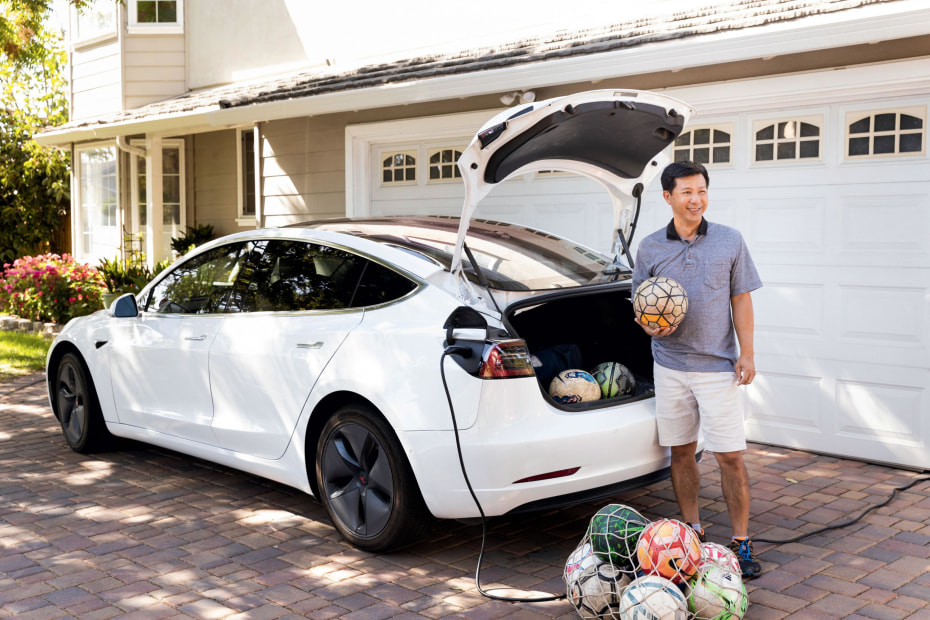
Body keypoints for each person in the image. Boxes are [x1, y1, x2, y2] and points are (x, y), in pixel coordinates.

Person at [632, 160, 763, 579]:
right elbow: (640, 305)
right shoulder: (651, 247)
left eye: (702, 190)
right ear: (668, 197)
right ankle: (692, 532)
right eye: (687, 192)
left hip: (717, 367)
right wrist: (652, 320)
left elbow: (741, 298)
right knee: (681, 451)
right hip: (669, 365)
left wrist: (748, 353)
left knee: (730, 457)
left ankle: (741, 543)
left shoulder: (729, 240)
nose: (696, 199)